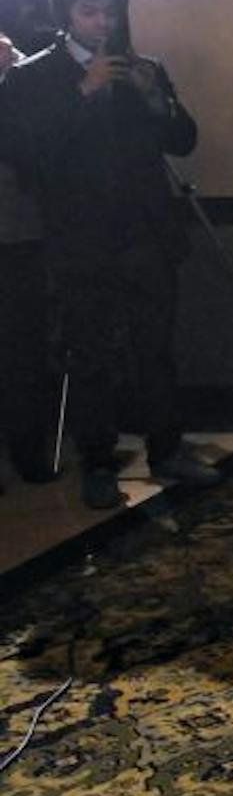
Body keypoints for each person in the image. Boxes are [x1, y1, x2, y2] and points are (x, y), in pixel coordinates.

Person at [0, 0, 218, 509]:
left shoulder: (140, 67)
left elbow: (184, 139)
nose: (102, 22)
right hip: (78, 239)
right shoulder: (32, 78)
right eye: (88, 11)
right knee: (89, 354)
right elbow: (29, 155)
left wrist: (153, 98)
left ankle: (167, 450)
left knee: (156, 349)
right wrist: (83, 93)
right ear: (67, 16)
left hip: (145, 231)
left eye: (110, 10)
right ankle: (98, 463)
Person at [0, 32, 61, 490]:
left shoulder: (20, 81)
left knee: (24, 349)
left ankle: (28, 449)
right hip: (19, 232)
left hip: (21, 235)